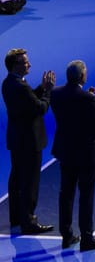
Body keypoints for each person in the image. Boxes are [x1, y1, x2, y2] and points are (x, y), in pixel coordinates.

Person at [50, 60, 95, 251]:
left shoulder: (56, 94)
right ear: (82, 76)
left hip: (66, 151)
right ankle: (87, 238)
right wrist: (92, 99)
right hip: (85, 153)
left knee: (65, 194)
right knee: (86, 195)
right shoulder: (87, 98)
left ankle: (67, 236)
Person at [2, 49, 55, 234]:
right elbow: (39, 108)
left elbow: (29, 99)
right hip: (29, 141)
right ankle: (29, 221)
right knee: (30, 182)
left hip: (17, 139)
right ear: (15, 65)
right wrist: (47, 92)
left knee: (17, 178)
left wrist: (40, 89)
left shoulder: (9, 83)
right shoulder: (20, 87)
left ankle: (16, 217)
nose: (29, 64)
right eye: (25, 62)